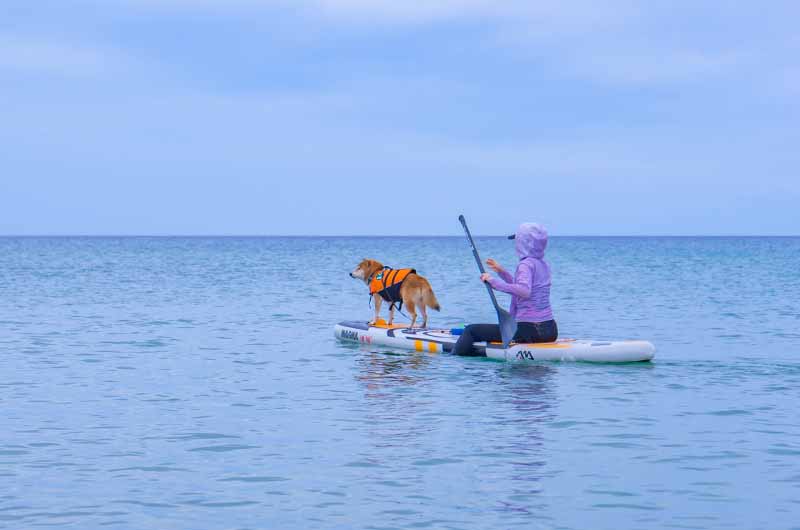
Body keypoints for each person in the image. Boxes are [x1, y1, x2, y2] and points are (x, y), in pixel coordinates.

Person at [453, 222, 558, 356]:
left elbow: (524, 291)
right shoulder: (544, 265)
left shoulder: (525, 265)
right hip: (550, 330)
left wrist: (493, 282)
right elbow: (523, 288)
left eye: (517, 241)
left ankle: (453, 361)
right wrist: (501, 272)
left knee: (470, 330)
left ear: (523, 243)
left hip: (528, 330)